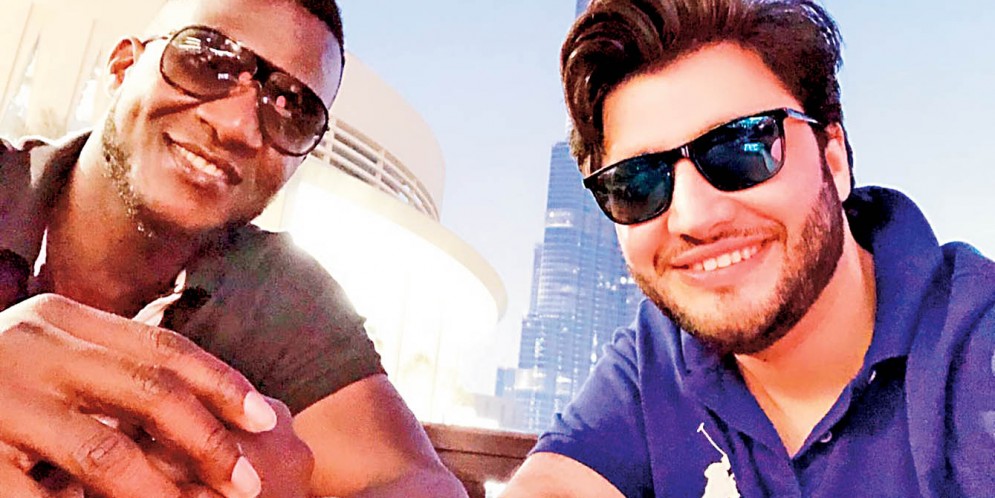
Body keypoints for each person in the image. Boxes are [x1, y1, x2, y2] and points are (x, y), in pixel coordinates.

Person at [502, 0, 995, 496]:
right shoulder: (661, 355)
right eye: (638, 183)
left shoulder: (974, 347)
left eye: (741, 148)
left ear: (834, 158)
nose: (694, 218)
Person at [0, 0, 466, 496]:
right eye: (207, 61)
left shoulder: (281, 295)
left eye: (292, 110)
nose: (237, 127)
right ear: (122, 69)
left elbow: (416, 482)